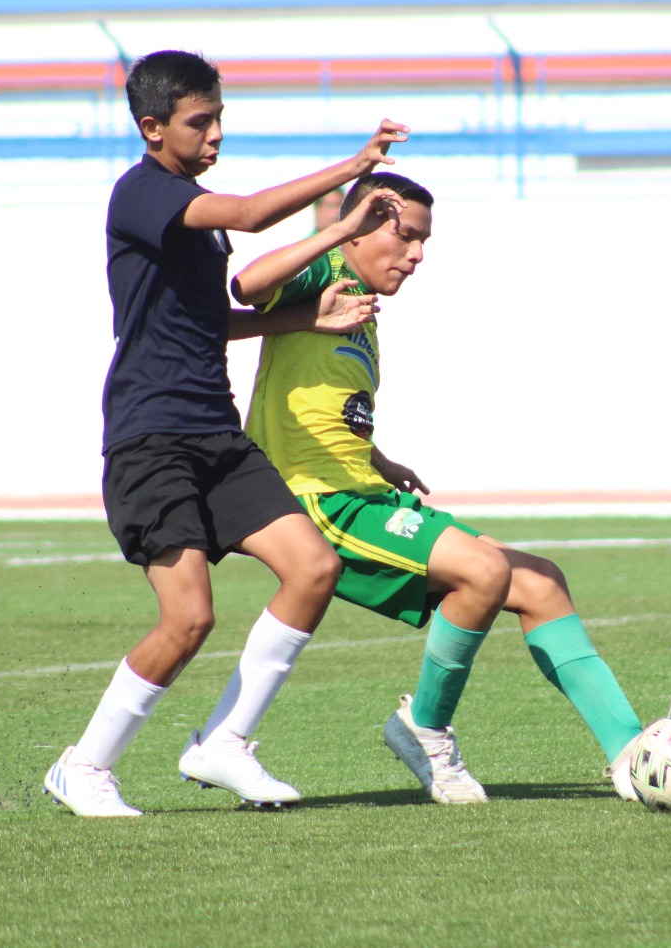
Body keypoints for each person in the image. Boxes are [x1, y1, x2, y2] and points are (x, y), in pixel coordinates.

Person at [232, 171, 671, 803]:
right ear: (360, 227)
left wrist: (379, 461)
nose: (417, 255)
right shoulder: (327, 269)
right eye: (406, 237)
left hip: (365, 491)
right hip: (321, 503)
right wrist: (336, 229)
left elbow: (322, 407)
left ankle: (631, 753)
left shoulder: (364, 312)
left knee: (540, 581)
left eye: (424, 242)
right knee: (483, 573)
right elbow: (247, 285)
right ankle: (427, 730)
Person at [43, 49, 408, 816]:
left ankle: (224, 745)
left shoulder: (193, 220)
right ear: (152, 128)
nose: (213, 135)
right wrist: (351, 178)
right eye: (198, 122)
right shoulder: (142, 194)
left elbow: (213, 322)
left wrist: (304, 318)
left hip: (216, 434)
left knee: (312, 568)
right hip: (151, 439)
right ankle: (84, 766)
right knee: (191, 616)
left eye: (218, 120)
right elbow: (246, 213)